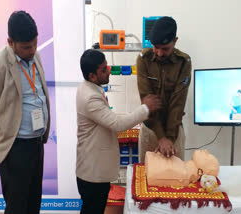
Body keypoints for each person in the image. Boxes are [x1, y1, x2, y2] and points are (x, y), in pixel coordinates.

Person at [0, 11, 50, 214]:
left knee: (33, 204)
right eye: (26, 47)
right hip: (15, 149)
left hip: (37, 143)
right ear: (10, 42)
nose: (32, 50)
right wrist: (6, 142)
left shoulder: (35, 55)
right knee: (17, 207)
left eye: (35, 44)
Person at [76, 49, 161, 214]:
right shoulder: (90, 97)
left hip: (93, 170)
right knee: (92, 210)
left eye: (106, 66)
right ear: (92, 76)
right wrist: (145, 109)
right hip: (92, 173)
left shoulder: (88, 88)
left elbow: (109, 118)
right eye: (103, 69)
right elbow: (117, 123)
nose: (108, 71)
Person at [137, 16, 192, 162]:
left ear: (175, 41)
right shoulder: (144, 59)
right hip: (150, 130)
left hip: (173, 131)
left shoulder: (183, 62)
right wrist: (160, 137)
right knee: (147, 179)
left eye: (165, 49)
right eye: (156, 47)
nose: (159, 53)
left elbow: (177, 104)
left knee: (176, 180)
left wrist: (168, 138)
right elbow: (147, 100)